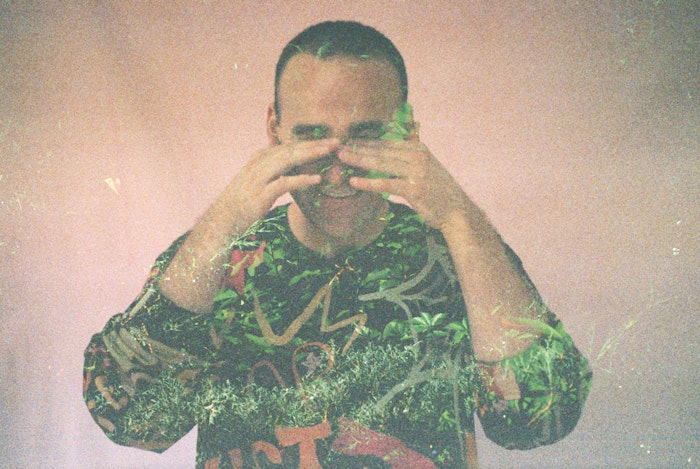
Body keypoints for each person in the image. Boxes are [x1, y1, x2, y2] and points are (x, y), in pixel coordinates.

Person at [83, 21, 592, 468]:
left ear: (406, 133)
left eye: (366, 136)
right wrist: (224, 223)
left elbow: (540, 421)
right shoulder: (219, 259)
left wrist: (458, 216)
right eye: (312, 137)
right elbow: (131, 420)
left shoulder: (460, 254)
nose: (337, 170)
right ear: (274, 131)